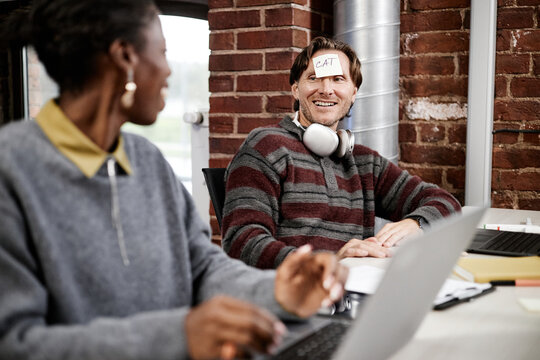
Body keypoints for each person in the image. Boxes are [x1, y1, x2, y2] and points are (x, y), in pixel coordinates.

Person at [0, 2, 348, 359]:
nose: (168, 70)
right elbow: (13, 344)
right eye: (163, 52)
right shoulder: (11, 170)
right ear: (125, 57)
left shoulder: (146, 161)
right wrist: (178, 336)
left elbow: (201, 269)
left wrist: (277, 291)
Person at [221, 36, 462, 269]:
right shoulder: (266, 146)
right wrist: (329, 263)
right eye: (314, 78)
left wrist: (416, 223)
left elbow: (445, 202)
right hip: (295, 298)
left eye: (338, 79)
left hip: (353, 290)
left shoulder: (364, 162)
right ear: (295, 89)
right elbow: (242, 241)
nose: (326, 90)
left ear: (354, 92)